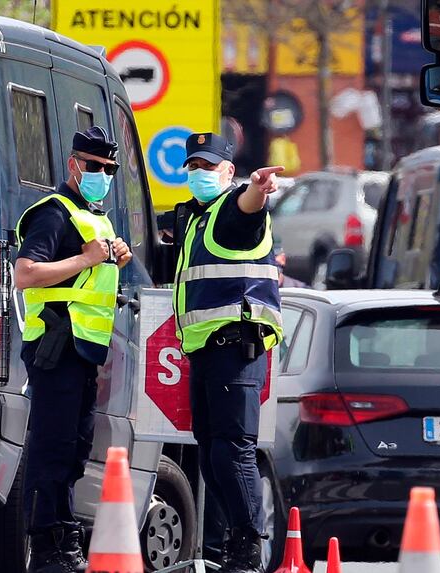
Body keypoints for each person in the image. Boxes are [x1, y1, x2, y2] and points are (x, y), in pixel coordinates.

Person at [14, 126, 132, 573]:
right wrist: (86, 258)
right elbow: (25, 274)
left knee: (75, 448)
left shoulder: (96, 217)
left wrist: (114, 254)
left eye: (109, 169)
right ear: (73, 165)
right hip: (55, 346)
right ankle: (47, 544)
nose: (102, 174)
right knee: (53, 447)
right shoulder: (54, 213)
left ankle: (62, 538)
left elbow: (92, 279)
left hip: (84, 352)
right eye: (94, 166)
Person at [170, 132, 284, 573]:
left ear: (229, 171)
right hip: (207, 351)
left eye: (209, 167)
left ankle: (249, 546)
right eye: (193, 167)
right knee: (212, 449)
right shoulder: (200, 220)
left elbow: (248, 211)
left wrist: (257, 188)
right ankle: (238, 541)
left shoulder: (233, 210)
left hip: (235, 347)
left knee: (232, 449)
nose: (199, 174)